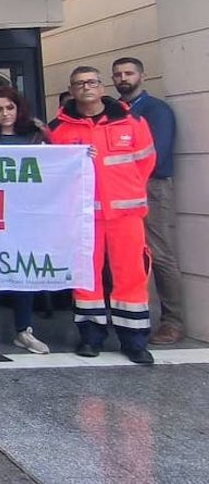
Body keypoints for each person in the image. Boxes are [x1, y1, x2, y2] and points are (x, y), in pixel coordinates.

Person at [51, 67, 157, 365]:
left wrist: (124, 192)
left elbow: (145, 163)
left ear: (101, 87)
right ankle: (90, 337)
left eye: (92, 82)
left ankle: (134, 340)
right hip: (84, 217)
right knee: (86, 278)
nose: (86, 87)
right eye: (79, 83)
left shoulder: (132, 122)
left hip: (126, 215)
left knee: (132, 276)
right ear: (71, 90)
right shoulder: (59, 129)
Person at [0, 87, 51, 355]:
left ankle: (24, 330)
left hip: (24, 217)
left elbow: (53, 170)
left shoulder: (34, 138)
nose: (5, 113)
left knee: (22, 271)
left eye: (10, 108)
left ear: (18, 109)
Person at [112, 57, 182, 344]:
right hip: (118, 191)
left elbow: (157, 154)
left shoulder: (156, 110)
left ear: (142, 76)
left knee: (160, 254)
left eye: (129, 73)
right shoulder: (115, 111)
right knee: (126, 255)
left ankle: (173, 321)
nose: (123, 78)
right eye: (117, 74)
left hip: (151, 188)